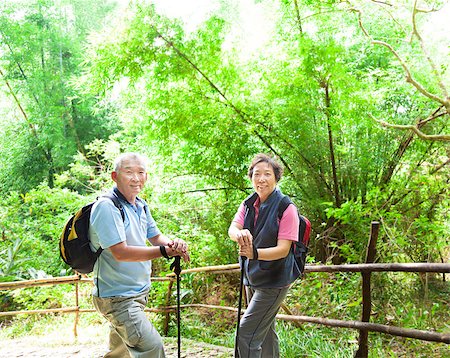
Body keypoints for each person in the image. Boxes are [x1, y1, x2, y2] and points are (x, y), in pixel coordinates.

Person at [89, 152, 190, 358]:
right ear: (114, 176)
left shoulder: (140, 205)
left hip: (135, 294)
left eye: (141, 172)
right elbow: (120, 252)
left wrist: (173, 244)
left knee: (119, 353)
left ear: (146, 177)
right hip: (117, 297)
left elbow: (155, 236)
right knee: (152, 347)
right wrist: (164, 251)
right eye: (129, 172)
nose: (136, 178)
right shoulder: (107, 207)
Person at [228, 153, 300, 358]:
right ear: (251, 178)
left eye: (267, 174)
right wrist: (239, 234)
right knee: (265, 332)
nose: (261, 179)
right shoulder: (248, 204)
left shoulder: (286, 208)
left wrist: (254, 253)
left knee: (246, 333)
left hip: (275, 281)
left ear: (276, 178)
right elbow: (233, 228)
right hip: (253, 277)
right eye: (257, 174)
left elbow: (283, 249)